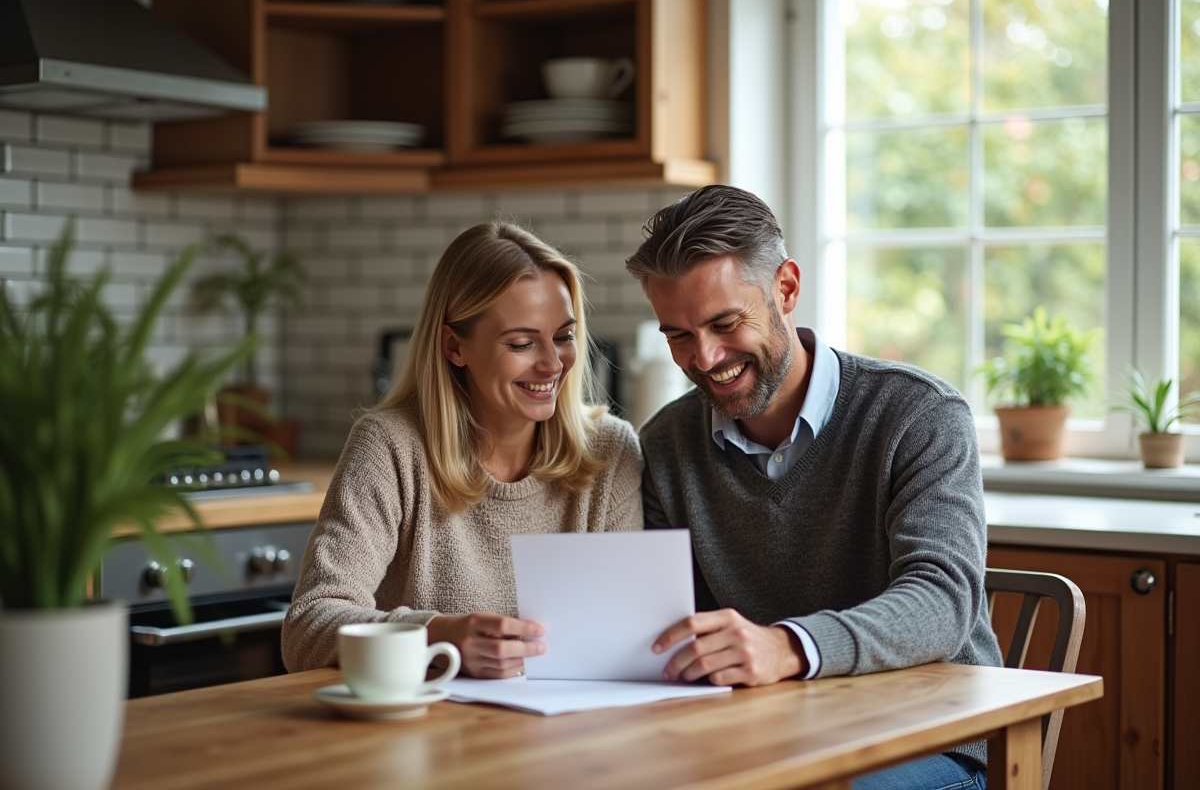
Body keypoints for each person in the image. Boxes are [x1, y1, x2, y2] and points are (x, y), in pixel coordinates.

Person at [625, 185, 1002, 790]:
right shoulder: (667, 443)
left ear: (787, 288)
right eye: (678, 336)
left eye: (725, 323)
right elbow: (668, 622)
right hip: (761, 738)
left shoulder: (917, 414)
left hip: (928, 739)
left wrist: (790, 647)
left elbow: (943, 601)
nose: (706, 357)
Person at [283, 222, 643, 679]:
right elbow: (306, 628)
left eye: (564, 336)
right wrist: (435, 635)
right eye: (521, 343)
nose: (553, 363)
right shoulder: (391, 447)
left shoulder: (611, 451)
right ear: (455, 346)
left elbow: (629, 631)